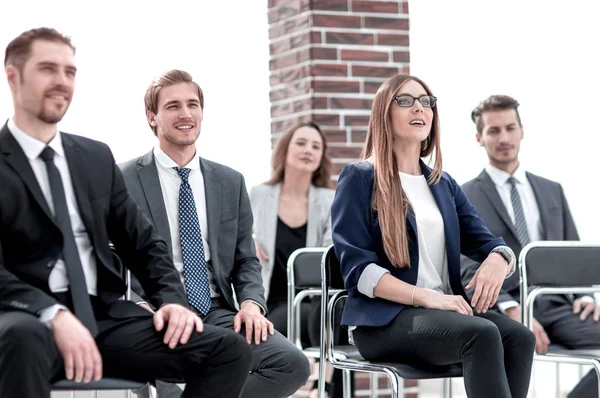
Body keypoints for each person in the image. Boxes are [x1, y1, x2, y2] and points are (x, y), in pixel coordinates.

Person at [0, 28, 252, 398]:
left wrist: (171, 303)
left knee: (227, 350)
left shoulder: (94, 158)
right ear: (13, 76)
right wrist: (52, 313)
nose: (62, 82)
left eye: (70, 72)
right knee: (21, 340)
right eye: (47, 69)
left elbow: (144, 244)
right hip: (25, 319)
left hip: (104, 319)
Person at [330, 74, 536, 398]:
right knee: (481, 334)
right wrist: (429, 297)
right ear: (385, 112)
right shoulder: (360, 177)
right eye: (406, 100)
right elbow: (360, 273)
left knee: (520, 337)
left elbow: (489, 242)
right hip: (384, 322)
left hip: (440, 314)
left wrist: (500, 258)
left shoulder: (442, 183)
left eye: (426, 102)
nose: (420, 108)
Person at [119, 69, 311, 398]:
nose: (186, 114)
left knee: (292, 364)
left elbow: (245, 258)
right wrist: (136, 305)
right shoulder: (122, 179)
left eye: (193, 104)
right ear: (152, 117)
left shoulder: (229, 181)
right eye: (173, 106)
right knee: (159, 384)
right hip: (154, 313)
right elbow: (109, 258)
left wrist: (251, 304)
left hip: (216, 311)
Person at [461, 94, 599, 398]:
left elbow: (572, 251)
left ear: (522, 131)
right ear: (479, 138)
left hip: (559, 305)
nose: (504, 138)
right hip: (503, 307)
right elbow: (464, 264)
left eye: (510, 128)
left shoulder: (552, 190)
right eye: (493, 131)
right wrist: (513, 309)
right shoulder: (464, 195)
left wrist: (587, 294)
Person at [249, 121, 335, 397]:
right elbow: (235, 239)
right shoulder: (259, 195)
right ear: (285, 149)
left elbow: (330, 254)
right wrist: (246, 243)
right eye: (301, 143)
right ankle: (315, 382)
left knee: (326, 319)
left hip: (311, 300)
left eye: (316, 146)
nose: (308, 150)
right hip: (267, 302)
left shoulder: (329, 200)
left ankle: (323, 383)